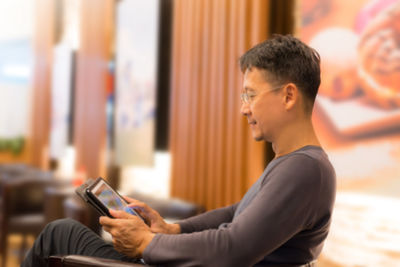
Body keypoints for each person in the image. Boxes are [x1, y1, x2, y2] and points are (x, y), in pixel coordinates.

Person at [22, 34, 336, 267]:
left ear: (289, 96)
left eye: (250, 95)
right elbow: (234, 215)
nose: (244, 109)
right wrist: (172, 229)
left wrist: (147, 242)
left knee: (57, 233)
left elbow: (235, 247)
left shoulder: (305, 169)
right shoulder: (294, 164)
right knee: (61, 232)